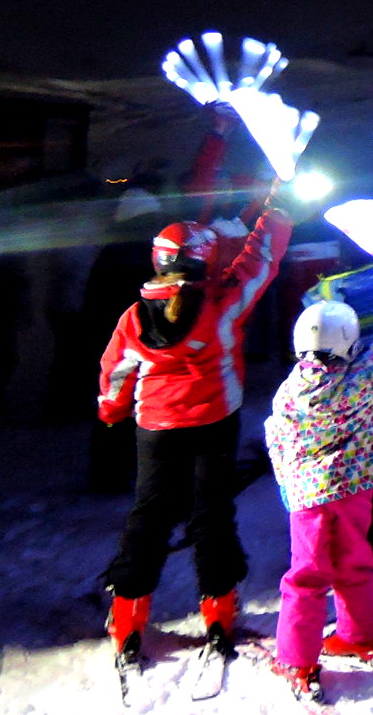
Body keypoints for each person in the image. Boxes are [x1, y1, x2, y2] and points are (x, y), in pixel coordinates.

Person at [97, 198, 292, 673]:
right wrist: (278, 212)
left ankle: (128, 621)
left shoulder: (135, 317)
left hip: (156, 429)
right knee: (212, 517)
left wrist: (111, 411)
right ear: (206, 260)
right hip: (214, 423)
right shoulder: (224, 305)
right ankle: (220, 616)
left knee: (149, 518)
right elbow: (259, 262)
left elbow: (116, 374)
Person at [264, 266, 373, 702]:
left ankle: (298, 660)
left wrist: (287, 488)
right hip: (356, 489)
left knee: (306, 576)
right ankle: (359, 636)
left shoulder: (288, 394)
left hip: (309, 497)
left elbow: (276, 440)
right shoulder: (361, 381)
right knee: (355, 563)